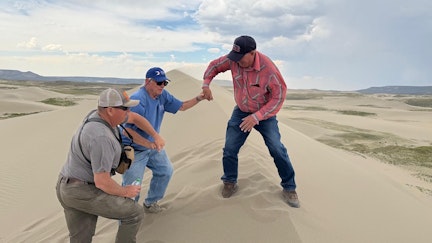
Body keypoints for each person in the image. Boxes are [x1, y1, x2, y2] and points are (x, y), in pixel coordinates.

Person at [201, 35, 300, 208]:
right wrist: (205, 84)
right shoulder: (234, 59)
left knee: (277, 149)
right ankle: (230, 181)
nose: (237, 62)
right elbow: (214, 66)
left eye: (241, 58)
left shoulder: (268, 70)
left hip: (264, 115)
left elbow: (278, 97)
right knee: (230, 148)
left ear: (253, 53)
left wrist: (257, 117)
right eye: (234, 57)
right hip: (241, 111)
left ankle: (289, 188)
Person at [56, 88, 164, 243]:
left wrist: (155, 136)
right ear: (111, 110)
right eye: (125, 108)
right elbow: (102, 181)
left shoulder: (99, 116)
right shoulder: (101, 137)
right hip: (82, 190)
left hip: (66, 186)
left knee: (81, 238)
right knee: (134, 213)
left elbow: (134, 118)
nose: (129, 111)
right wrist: (125, 191)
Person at [121, 67, 205, 213]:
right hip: (135, 150)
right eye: (159, 83)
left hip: (153, 147)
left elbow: (182, 106)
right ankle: (129, 217)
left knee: (165, 171)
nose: (162, 86)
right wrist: (149, 143)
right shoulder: (138, 100)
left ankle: (151, 203)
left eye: (164, 83)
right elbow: (127, 131)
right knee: (132, 187)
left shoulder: (162, 95)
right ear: (148, 81)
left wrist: (199, 98)